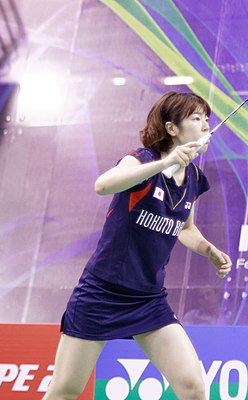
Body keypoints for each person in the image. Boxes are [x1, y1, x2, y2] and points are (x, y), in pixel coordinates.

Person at [40, 91, 232, 400]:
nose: (206, 126)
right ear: (172, 128)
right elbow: (102, 185)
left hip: (148, 299)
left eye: (207, 119)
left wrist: (209, 250)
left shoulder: (194, 177)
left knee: (194, 388)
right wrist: (165, 163)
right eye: (197, 119)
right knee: (65, 390)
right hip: (101, 293)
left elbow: (186, 228)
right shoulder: (142, 160)